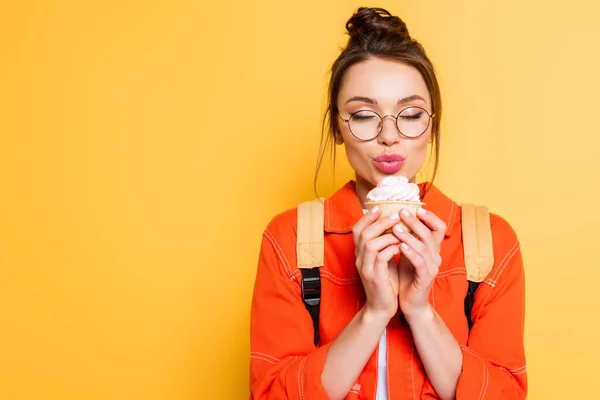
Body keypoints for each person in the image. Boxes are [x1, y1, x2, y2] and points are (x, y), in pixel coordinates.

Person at [249, 7, 526, 400]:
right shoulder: (291, 240)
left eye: (410, 114)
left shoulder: (488, 242)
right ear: (337, 128)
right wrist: (374, 313)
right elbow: (271, 395)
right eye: (364, 115)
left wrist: (420, 311)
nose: (389, 136)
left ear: (432, 124)